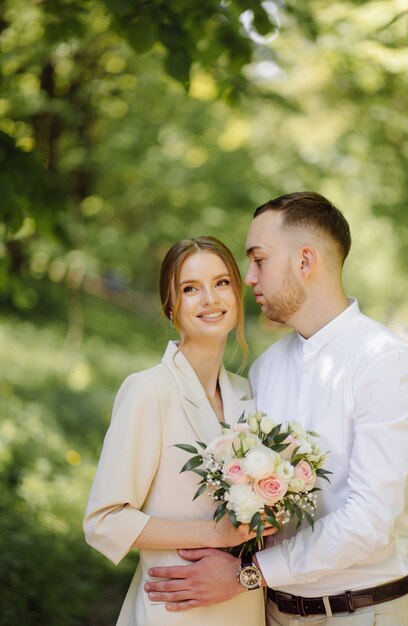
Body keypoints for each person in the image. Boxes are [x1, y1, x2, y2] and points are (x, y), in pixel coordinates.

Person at [144, 192, 408, 625]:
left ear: (304, 261)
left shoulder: (383, 360)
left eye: (258, 259)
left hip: (363, 611)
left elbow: (370, 520)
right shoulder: (266, 369)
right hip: (271, 613)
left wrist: (248, 574)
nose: (247, 278)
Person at [83, 235, 275, 626]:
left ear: (238, 295)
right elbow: (104, 521)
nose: (209, 299)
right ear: (172, 307)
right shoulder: (148, 390)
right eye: (191, 289)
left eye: (222, 283)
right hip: (173, 612)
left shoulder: (249, 393)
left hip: (245, 606)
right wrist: (215, 533)